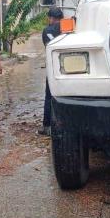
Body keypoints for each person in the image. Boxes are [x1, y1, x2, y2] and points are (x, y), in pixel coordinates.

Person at [39, 8, 63, 136]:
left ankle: (47, 126)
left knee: (49, 97)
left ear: (51, 18)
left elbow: (47, 46)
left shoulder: (47, 31)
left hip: (53, 69)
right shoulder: (70, 28)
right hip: (71, 69)